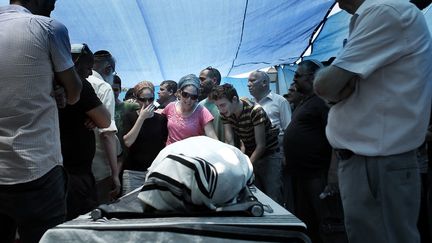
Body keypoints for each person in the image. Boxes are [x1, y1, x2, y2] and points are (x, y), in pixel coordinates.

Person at [313, 0, 432, 242]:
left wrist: (337, 86)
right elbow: (332, 88)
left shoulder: (386, 12)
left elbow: (325, 85)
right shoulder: (376, 14)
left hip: (377, 163)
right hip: (371, 164)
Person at [0, 0, 82, 242]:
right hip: (37, 168)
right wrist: (57, 87)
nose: (53, 5)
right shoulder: (49, 28)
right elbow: (74, 92)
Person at [283, 60, 347, 243]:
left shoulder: (322, 102)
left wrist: (333, 174)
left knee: (328, 225)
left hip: (318, 176)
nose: (293, 80)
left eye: (297, 76)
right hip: (301, 176)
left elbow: (336, 138)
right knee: (308, 223)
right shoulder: (304, 103)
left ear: (311, 78)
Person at [59, 43, 111, 220]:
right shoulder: (80, 84)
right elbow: (105, 120)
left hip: (52, 171)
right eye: (88, 67)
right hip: (76, 176)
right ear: (73, 62)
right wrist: (96, 118)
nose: (90, 73)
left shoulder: (45, 81)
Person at [210, 84, 283, 204]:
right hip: (250, 154)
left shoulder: (255, 111)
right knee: (257, 195)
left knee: (272, 195)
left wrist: (246, 167)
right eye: (217, 106)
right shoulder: (225, 113)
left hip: (270, 155)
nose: (220, 110)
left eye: (222, 105)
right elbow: (230, 141)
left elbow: (261, 146)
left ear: (234, 99)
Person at [122, 81, 168, 194]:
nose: (147, 103)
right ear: (136, 99)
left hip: (155, 171)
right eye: (143, 99)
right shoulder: (130, 116)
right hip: (133, 172)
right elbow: (128, 142)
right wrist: (141, 118)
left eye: (150, 99)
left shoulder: (161, 119)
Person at [87, 50, 121, 203]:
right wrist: (115, 173)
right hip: (98, 169)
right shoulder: (103, 88)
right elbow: (107, 134)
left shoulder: (72, 82)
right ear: (108, 70)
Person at [162, 74, 218, 145]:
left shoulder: (202, 112)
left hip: (191, 154)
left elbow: (213, 139)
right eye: (185, 95)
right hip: (170, 152)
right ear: (179, 92)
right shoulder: (170, 107)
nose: (189, 100)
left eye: (193, 97)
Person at [199, 66, 225, 142]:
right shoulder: (200, 106)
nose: (200, 83)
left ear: (214, 80)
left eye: (203, 79)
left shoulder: (227, 103)